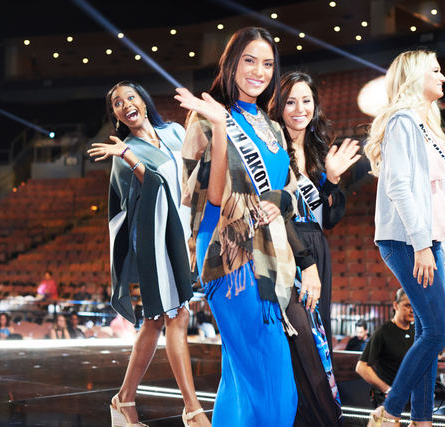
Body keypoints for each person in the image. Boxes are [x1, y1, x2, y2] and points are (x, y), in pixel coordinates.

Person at [175, 27, 320, 426]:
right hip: (229, 255)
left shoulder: (272, 127)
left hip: (271, 256)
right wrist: (221, 128)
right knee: (275, 387)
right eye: (249, 60)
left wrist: (282, 202)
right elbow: (214, 197)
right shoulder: (206, 118)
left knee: (240, 379)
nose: (259, 71)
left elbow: (287, 193)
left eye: (268, 63)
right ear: (232, 63)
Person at [88, 81, 210, 427]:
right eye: (116, 103)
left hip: (185, 236)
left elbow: (194, 171)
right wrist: (126, 156)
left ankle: (124, 400)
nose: (125, 104)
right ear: (115, 115)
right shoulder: (123, 151)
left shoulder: (172, 131)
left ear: (143, 100)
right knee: (178, 317)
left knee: (156, 320)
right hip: (157, 241)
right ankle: (193, 410)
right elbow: (152, 186)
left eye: (130, 96)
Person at [363, 49, 445, 426]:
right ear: (415, 76)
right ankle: (388, 412)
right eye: (435, 70)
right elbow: (400, 187)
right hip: (406, 240)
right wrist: (422, 245)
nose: (443, 76)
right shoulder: (403, 121)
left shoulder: (425, 124)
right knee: (438, 330)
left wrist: (443, 249)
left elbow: (435, 198)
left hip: (425, 239)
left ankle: (422, 420)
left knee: (425, 330)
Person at [270, 71, 361, 349]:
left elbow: (329, 219)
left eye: (306, 101)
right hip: (287, 245)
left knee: (319, 334)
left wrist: (332, 180)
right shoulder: (273, 149)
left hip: (317, 246)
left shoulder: (319, 151)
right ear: (279, 107)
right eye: (290, 102)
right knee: (297, 336)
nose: (300, 110)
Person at [355, 289, 415, 408]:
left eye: (414, 305)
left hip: (412, 399)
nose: (412, 310)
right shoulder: (383, 332)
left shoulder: (417, 332)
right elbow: (361, 367)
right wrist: (387, 389)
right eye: (407, 305)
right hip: (389, 401)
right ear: (395, 305)